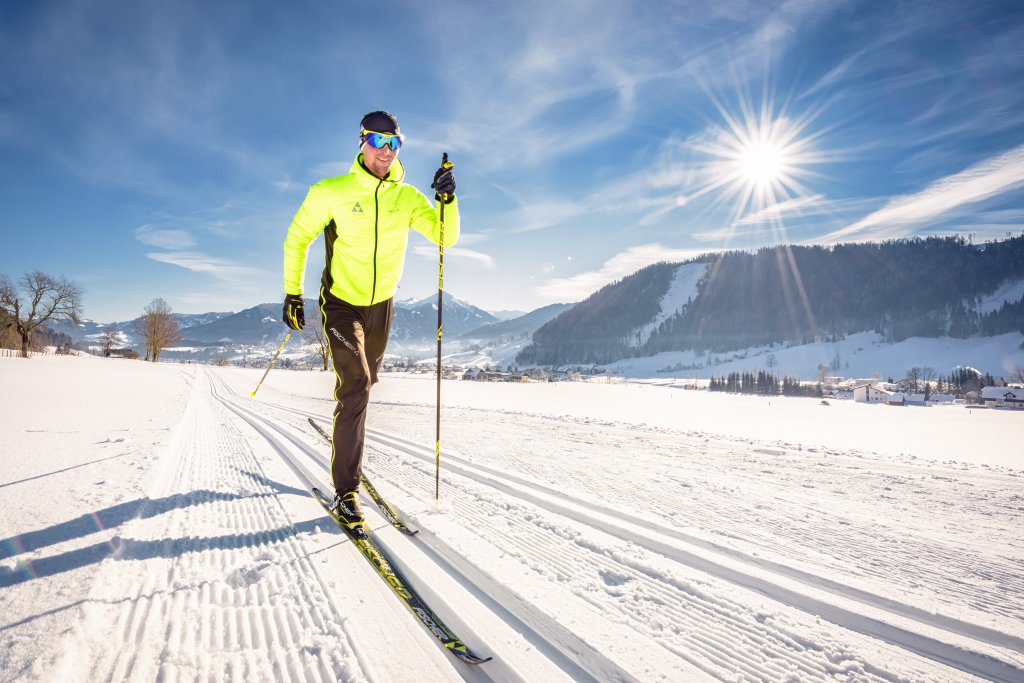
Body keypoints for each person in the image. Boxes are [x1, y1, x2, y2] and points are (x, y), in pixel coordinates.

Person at [281, 110, 458, 528]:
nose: (385, 151)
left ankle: (346, 427)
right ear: (361, 142)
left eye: (393, 143)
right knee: (357, 384)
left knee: (364, 386)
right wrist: (292, 291)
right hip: (341, 303)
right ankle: (346, 492)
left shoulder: (409, 196)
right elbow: (297, 237)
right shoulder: (331, 191)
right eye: (377, 142)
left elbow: (444, 237)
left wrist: (448, 200)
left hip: (383, 307)